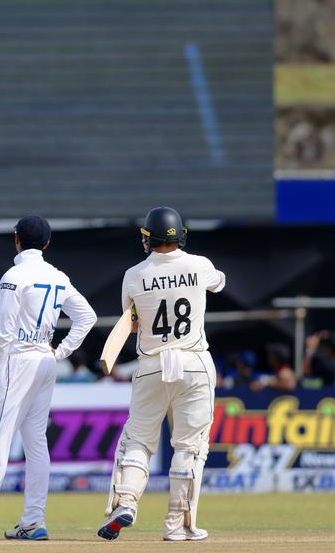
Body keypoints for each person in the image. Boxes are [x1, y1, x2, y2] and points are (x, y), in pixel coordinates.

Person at [0, 216, 97, 540]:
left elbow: (1, 335)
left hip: (20, 360)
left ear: (16, 239)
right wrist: (61, 352)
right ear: (47, 243)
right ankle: (32, 522)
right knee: (36, 443)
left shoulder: (14, 275)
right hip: (45, 360)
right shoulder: (58, 276)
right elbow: (87, 316)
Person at [98, 206, 225, 543]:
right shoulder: (200, 265)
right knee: (190, 447)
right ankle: (177, 526)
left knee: (138, 440)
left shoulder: (133, 275)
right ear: (181, 234)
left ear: (148, 238)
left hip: (151, 364)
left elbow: (133, 319)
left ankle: (124, 503)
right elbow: (218, 284)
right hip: (194, 363)